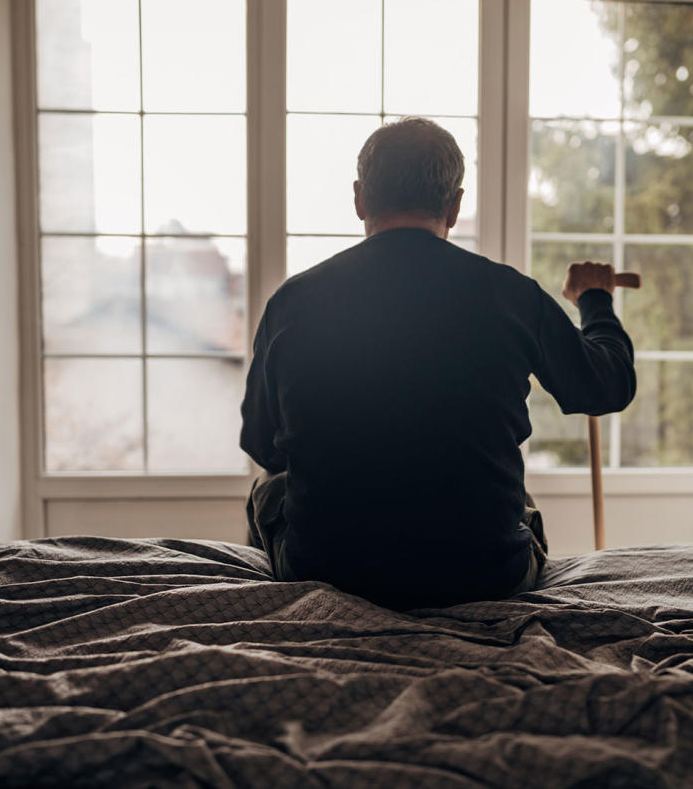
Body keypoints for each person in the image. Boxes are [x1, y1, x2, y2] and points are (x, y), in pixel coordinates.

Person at [240, 117, 635, 610]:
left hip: (332, 571)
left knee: (268, 488)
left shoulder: (293, 302)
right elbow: (607, 387)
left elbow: (262, 444)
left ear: (360, 198)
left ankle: (286, 617)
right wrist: (595, 300)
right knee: (518, 503)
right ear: (455, 204)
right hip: (486, 574)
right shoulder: (511, 295)